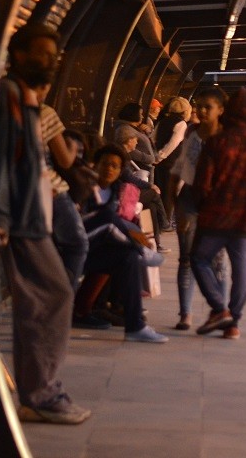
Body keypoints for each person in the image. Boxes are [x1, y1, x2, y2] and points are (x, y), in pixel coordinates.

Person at [0, 23, 90, 425]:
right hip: (19, 221)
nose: (46, 61)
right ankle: (40, 394)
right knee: (53, 295)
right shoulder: (9, 95)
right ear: (17, 55)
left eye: (52, 55)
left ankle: (35, 392)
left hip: (28, 217)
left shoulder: (25, 100)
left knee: (39, 301)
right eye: (38, 53)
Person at [191, 89, 246, 339]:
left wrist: (198, 207)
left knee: (198, 259)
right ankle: (234, 322)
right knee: (241, 267)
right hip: (245, 215)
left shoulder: (217, 142)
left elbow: (203, 182)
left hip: (216, 213)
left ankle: (218, 307)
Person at [75, 144, 168, 344]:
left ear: (120, 171)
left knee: (128, 257)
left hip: (94, 250)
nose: (109, 169)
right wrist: (133, 238)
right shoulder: (85, 187)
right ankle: (140, 250)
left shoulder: (117, 191)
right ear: (95, 165)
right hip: (73, 246)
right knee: (108, 219)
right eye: (105, 164)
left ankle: (135, 325)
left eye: (115, 166)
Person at [169, 86, 229, 330]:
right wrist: (176, 206)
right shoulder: (191, 132)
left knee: (217, 259)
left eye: (208, 107)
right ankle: (185, 314)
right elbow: (179, 168)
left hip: (217, 203)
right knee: (186, 259)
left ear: (221, 110)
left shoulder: (229, 137)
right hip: (189, 198)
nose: (201, 111)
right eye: (198, 107)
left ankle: (221, 311)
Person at [38, 90, 89, 290]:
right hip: (49, 189)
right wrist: (73, 147)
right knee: (77, 245)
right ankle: (63, 301)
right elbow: (65, 160)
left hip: (15, 193)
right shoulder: (44, 112)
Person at [114, 124, 172, 252]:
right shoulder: (121, 155)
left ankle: (154, 242)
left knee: (150, 206)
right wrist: (150, 185)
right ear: (129, 140)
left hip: (125, 191)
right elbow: (128, 177)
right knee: (153, 193)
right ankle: (165, 223)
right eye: (135, 140)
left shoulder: (123, 153)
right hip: (122, 194)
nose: (136, 142)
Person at [154, 96, 192, 220]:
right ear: (186, 110)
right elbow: (173, 143)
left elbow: (153, 137)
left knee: (161, 190)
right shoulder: (181, 124)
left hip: (160, 163)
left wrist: (156, 156)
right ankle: (166, 220)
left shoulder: (162, 121)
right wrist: (161, 156)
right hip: (172, 162)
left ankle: (161, 219)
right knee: (170, 193)